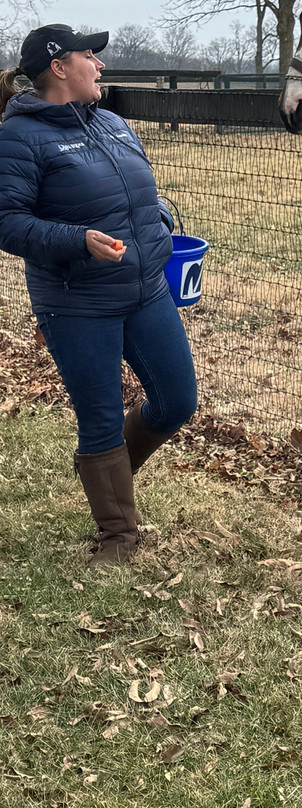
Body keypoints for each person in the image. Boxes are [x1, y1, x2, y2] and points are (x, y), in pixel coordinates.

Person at [0, 25, 197, 566]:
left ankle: (104, 469)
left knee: (177, 400)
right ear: (59, 66)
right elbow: (8, 223)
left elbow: (138, 192)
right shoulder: (19, 137)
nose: (101, 65)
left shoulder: (110, 121)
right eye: (91, 55)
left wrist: (158, 220)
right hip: (76, 299)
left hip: (146, 288)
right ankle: (117, 534)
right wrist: (78, 241)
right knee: (101, 416)